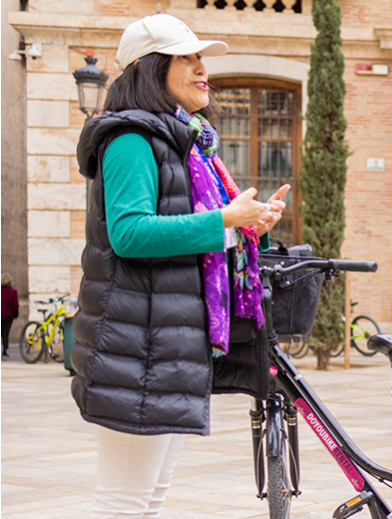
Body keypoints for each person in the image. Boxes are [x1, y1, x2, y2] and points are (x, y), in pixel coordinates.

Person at [71, 14, 289, 519]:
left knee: (150, 496)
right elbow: (130, 234)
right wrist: (223, 220)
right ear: (152, 68)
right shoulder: (129, 139)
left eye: (200, 57)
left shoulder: (185, 141)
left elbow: (193, 233)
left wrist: (247, 224)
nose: (202, 68)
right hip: (136, 347)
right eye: (187, 57)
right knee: (122, 502)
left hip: (167, 344)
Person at [1, 273, 17, 358]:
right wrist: (15, 314)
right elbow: (15, 305)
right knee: (5, 333)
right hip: (8, 315)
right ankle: (4, 350)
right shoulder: (13, 292)